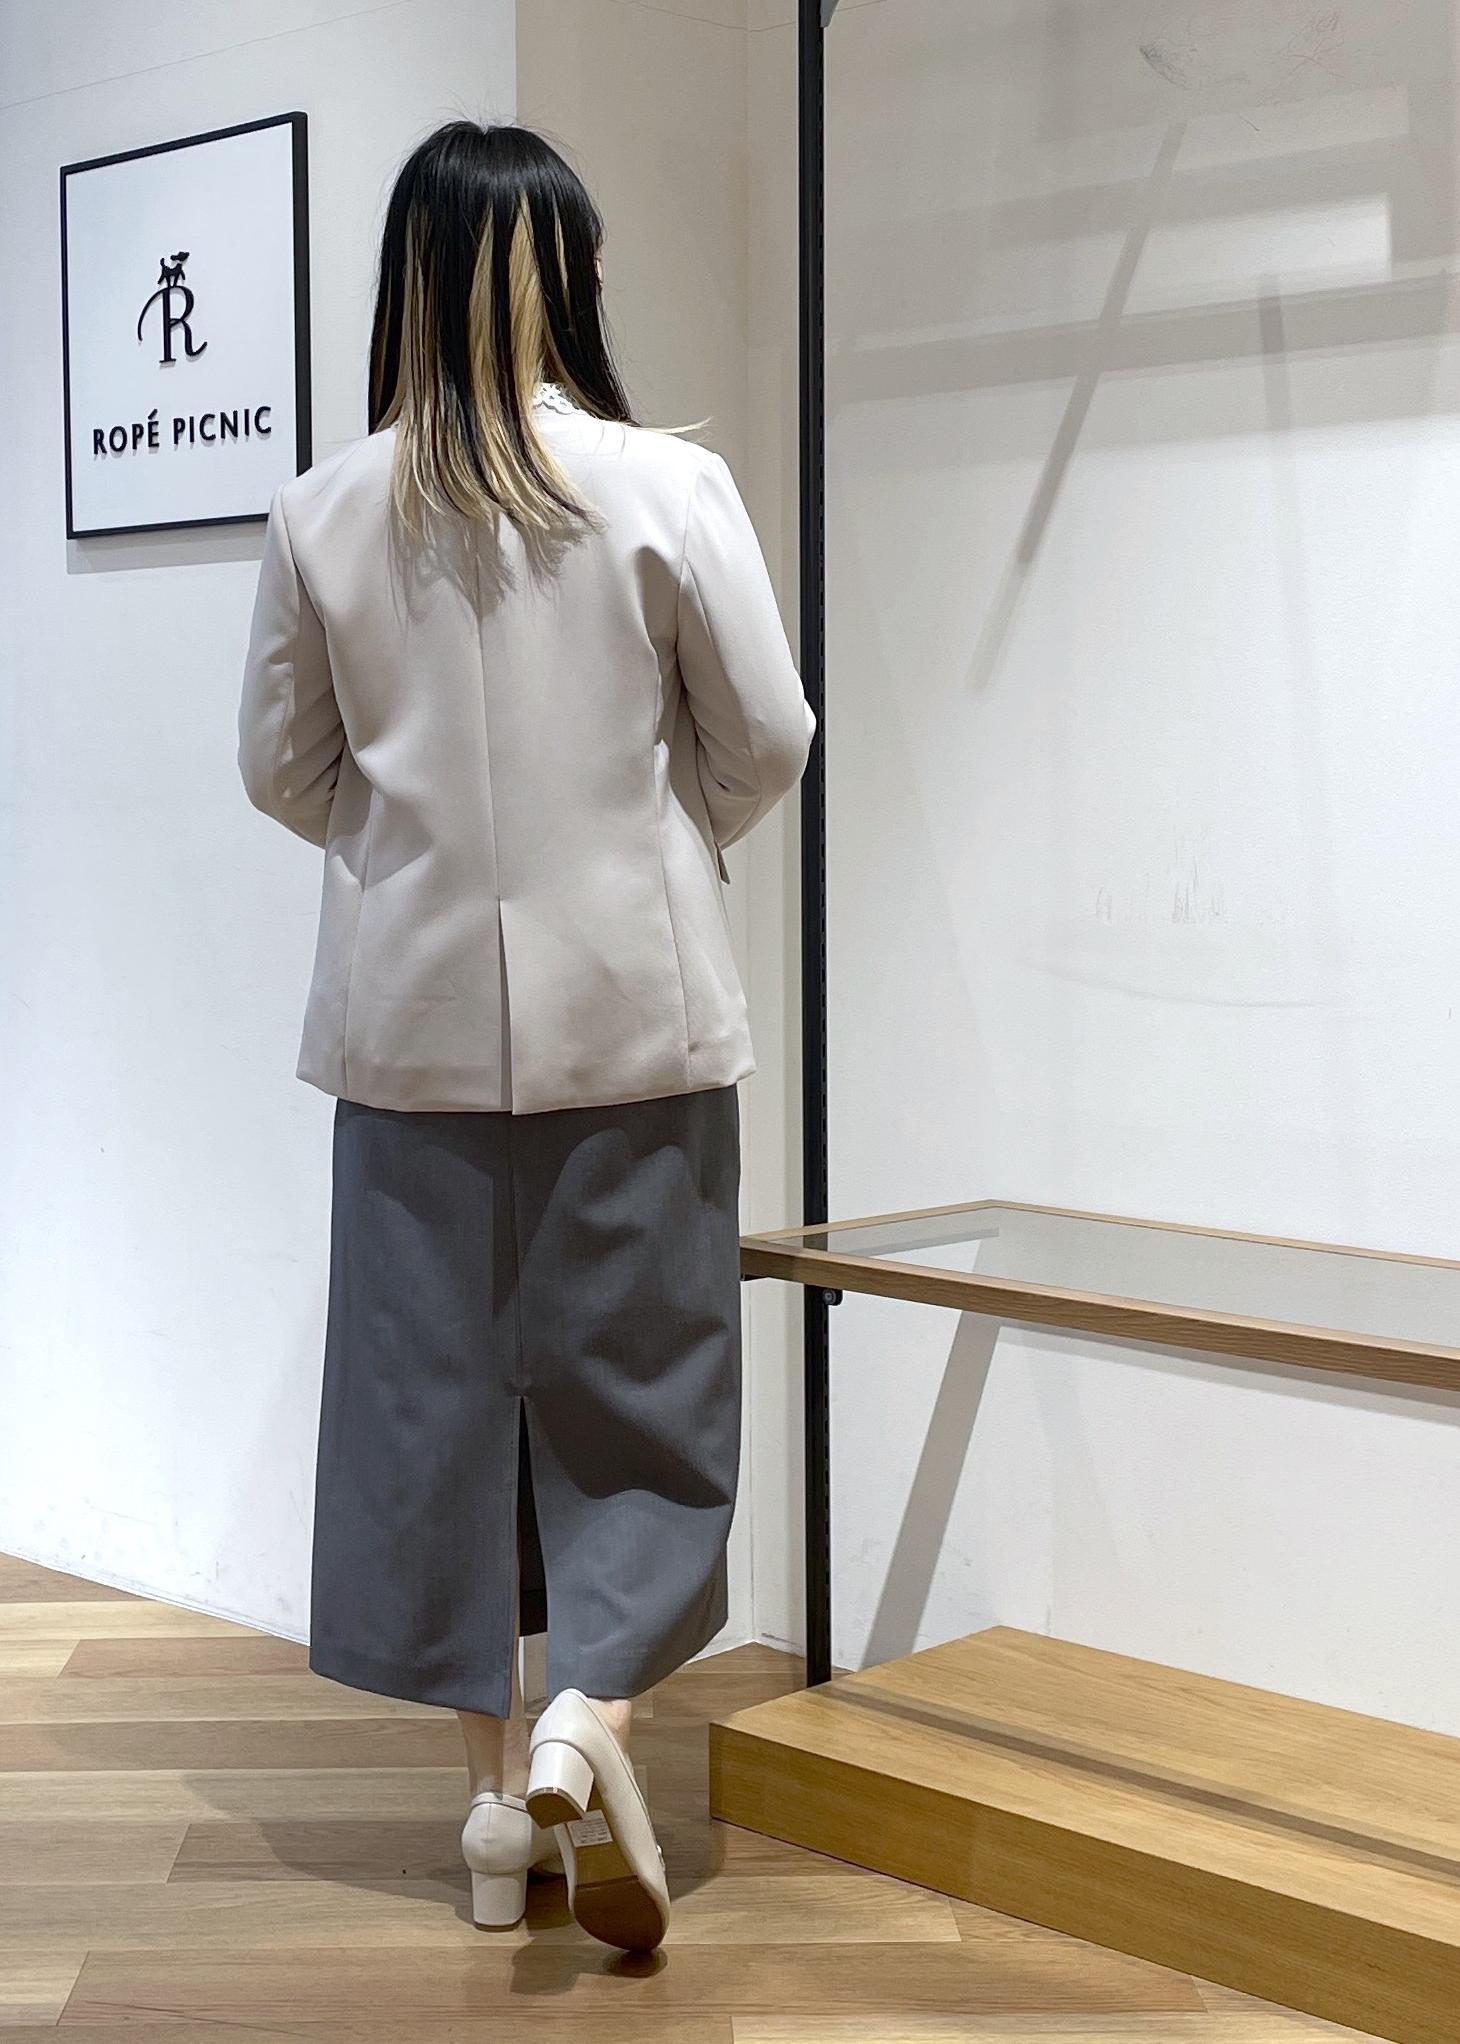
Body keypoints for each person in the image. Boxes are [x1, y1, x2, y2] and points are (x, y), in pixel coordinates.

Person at [235, 119, 815, 1954]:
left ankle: (495, 1816)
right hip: (637, 1026)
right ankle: (594, 1722)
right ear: (568, 271)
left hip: (406, 1047)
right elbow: (770, 736)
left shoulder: (326, 510)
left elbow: (282, 771)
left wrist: (411, 860)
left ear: (406, 277)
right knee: (647, 1402)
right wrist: (660, 838)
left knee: (438, 1428)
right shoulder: (666, 487)